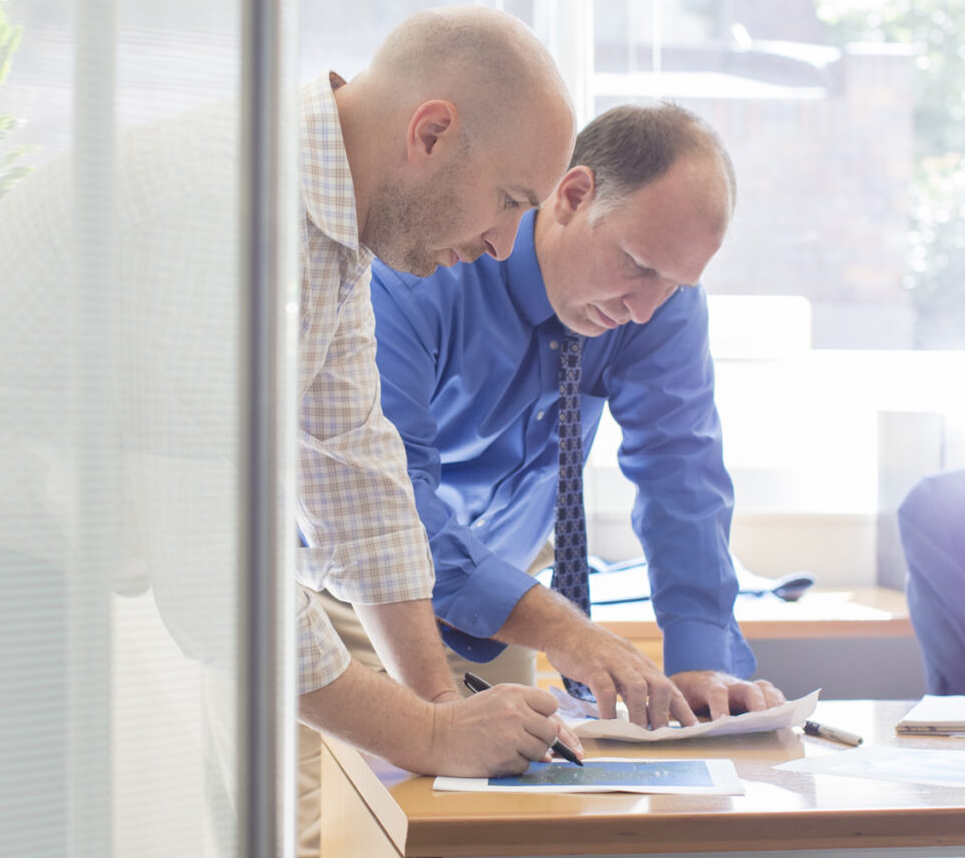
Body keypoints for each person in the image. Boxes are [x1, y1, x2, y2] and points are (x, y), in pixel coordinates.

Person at [0, 6, 578, 858]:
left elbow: (355, 469)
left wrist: (436, 700)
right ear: (430, 133)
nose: (504, 245)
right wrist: (427, 734)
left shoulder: (330, 224)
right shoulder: (227, 212)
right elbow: (220, 583)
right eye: (510, 202)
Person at [327, 103, 785, 736]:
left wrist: (702, 663)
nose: (645, 311)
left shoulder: (658, 302)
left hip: (500, 596)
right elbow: (386, 506)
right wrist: (563, 627)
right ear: (573, 196)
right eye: (639, 266)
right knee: (335, 825)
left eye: (676, 285)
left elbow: (682, 477)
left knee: (504, 815)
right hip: (353, 587)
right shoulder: (425, 272)